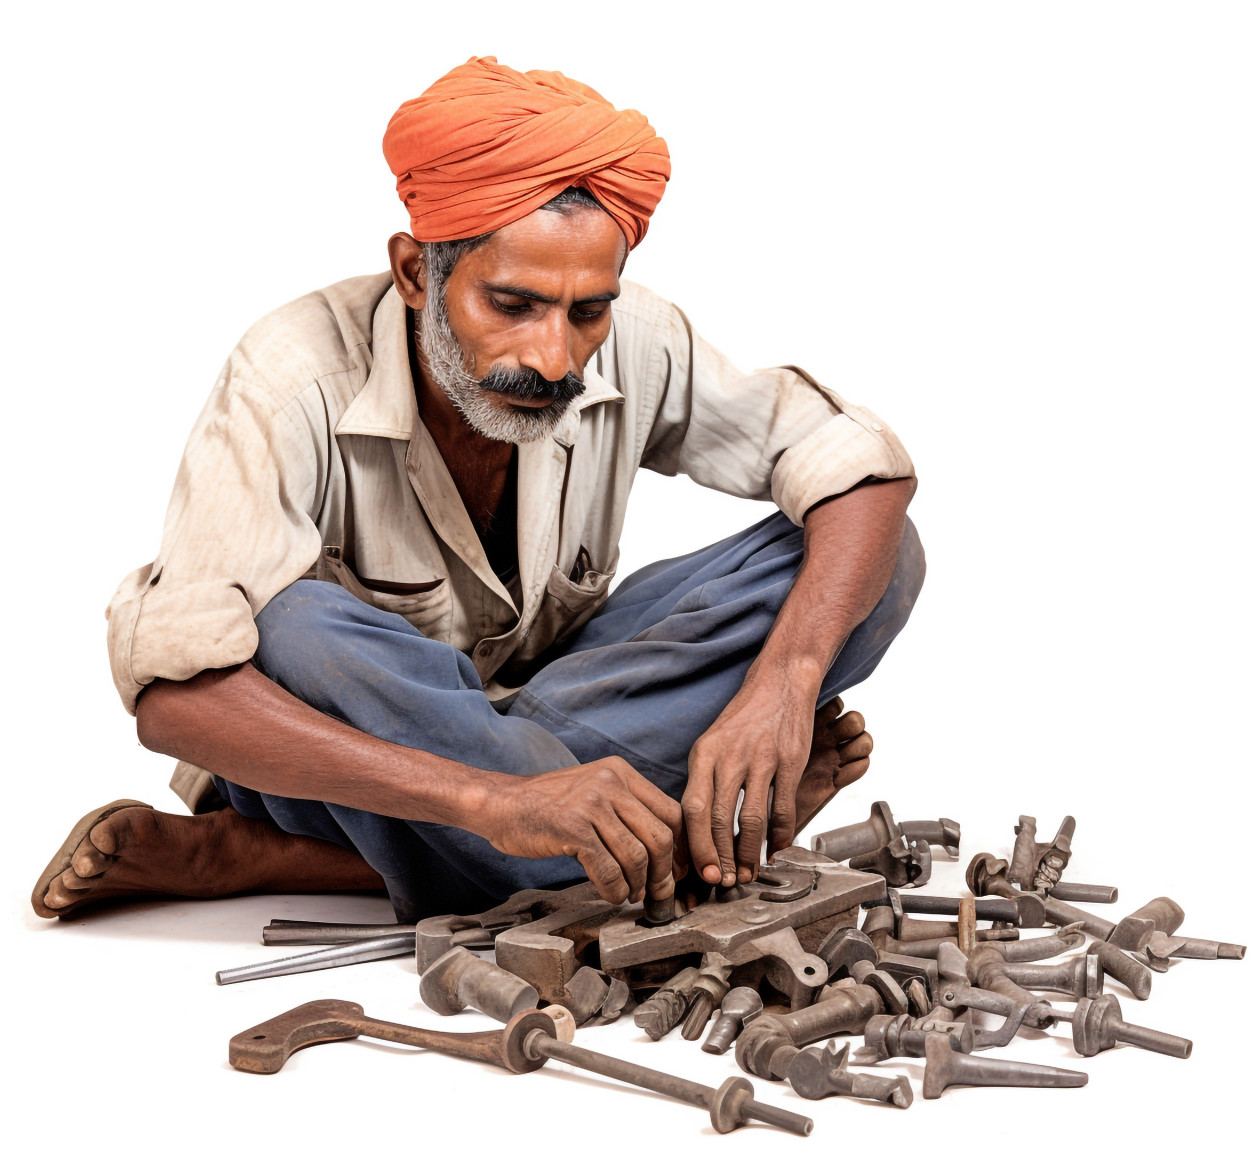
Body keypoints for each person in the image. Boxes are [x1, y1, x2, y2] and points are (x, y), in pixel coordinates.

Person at [31, 57, 925, 924]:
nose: (554, 357)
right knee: (294, 627)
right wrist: (492, 800)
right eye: (511, 305)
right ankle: (671, 835)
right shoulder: (290, 374)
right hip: (367, 756)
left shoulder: (636, 336)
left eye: (587, 312)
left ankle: (331, 858)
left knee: (867, 555)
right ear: (417, 274)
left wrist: (781, 688)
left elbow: (864, 470)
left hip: (566, 705)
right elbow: (176, 700)